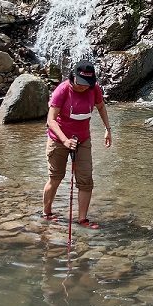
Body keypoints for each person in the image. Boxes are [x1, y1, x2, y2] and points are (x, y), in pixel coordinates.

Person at [43, 60, 112, 228]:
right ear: (73, 76)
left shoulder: (93, 88)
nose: (83, 87)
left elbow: (101, 107)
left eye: (86, 84)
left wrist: (107, 128)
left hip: (83, 138)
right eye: (80, 83)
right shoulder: (62, 90)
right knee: (56, 177)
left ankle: (82, 219)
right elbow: (51, 120)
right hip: (59, 138)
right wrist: (65, 140)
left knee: (86, 179)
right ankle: (47, 212)